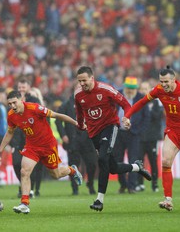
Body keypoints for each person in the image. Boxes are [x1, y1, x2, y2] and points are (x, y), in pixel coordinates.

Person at [122, 66, 180, 211]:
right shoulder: (158, 90)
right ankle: (168, 199)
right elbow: (142, 102)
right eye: (161, 81)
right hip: (173, 131)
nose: (164, 84)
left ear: (174, 80)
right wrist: (127, 115)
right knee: (166, 161)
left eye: (166, 81)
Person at [74, 66, 151, 212]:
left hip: (110, 126)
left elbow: (126, 104)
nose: (82, 83)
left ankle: (99, 200)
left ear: (92, 78)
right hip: (93, 132)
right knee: (113, 168)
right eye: (79, 81)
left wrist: (126, 117)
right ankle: (136, 167)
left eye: (84, 80)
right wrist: (79, 124)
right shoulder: (78, 95)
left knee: (102, 159)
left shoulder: (106, 89)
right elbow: (79, 113)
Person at [0, 90, 84, 214]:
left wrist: (76, 123)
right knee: (24, 171)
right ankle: (24, 203)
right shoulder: (11, 115)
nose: (12, 106)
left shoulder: (35, 108)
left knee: (56, 175)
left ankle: (72, 170)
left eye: (14, 102)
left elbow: (57, 115)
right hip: (32, 147)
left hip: (48, 146)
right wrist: (0, 149)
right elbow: (10, 132)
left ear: (21, 100)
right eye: (10, 104)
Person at [55, 93, 97, 195]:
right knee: (74, 165)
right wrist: (63, 135)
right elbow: (58, 121)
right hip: (73, 140)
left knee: (92, 164)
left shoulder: (90, 103)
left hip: (88, 140)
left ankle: (90, 184)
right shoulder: (66, 105)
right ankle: (75, 189)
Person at [116, 76, 150, 194]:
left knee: (133, 160)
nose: (130, 91)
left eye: (132, 88)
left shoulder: (141, 98)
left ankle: (131, 186)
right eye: (128, 88)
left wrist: (139, 131)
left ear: (136, 89)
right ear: (125, 87)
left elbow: (147, 117)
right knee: (117, 160)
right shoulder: (117, 95)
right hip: (118, 133)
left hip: (134, 134)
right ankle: (123, 184)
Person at [136, 80, 164, 193]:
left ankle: (155, 184)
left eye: (145, 89)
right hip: (140, 137)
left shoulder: (157, 102)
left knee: (153, 161)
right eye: (141, 89)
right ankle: (140, 184)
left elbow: (158, 116)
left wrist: (148, 109)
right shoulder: (138, 103)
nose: (143, 91)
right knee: (139, 161)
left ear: (150, 90)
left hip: (153, 137)